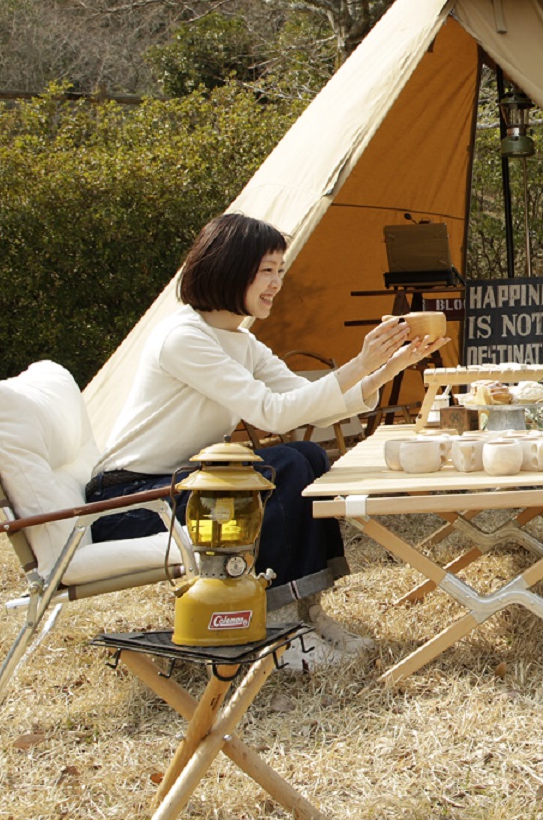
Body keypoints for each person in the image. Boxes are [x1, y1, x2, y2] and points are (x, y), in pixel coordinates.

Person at [90, 212, 446, 670]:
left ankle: (306, 614)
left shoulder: (240, 341)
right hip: (129, 502)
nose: (277, 283)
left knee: (307, 454)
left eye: (281, 271)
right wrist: (360, 363)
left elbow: (302, 401)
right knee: (280, 467)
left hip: (182, 486)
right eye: (267, 271)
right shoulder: (183, 338)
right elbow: (270, 413)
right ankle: (278, 631)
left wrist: (388, 366)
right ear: (228, 267)